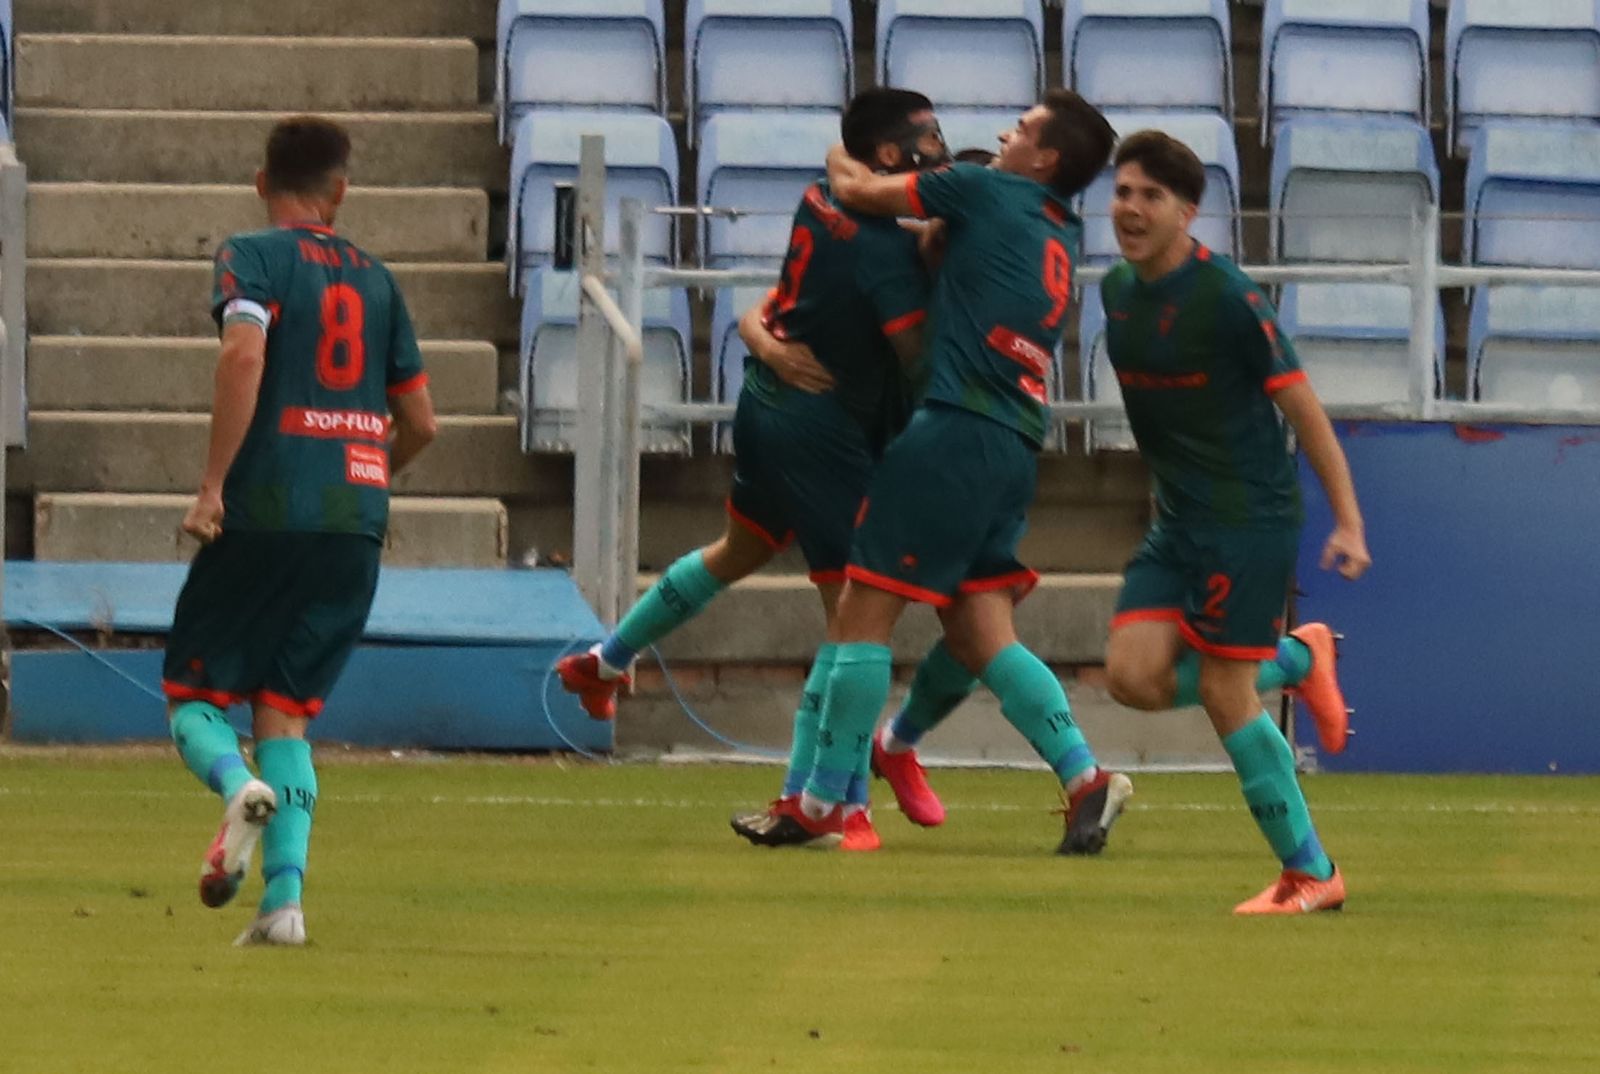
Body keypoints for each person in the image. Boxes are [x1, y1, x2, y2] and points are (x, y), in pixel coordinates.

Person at [554, 89, 975, 850]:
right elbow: (915, 361)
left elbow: (838, 164)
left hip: (767, 404)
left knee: (736, 552)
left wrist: (763, 333)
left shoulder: (824, 194)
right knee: (851, 616)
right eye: (929, 141)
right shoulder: (888, 260)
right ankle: (838, 804)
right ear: (889, 158)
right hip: (818, 430)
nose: (938, 154)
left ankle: (603, 660)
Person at [740, 91, 1133, 853]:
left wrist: (835, 149)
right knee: (984, 631)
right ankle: (1085, 776)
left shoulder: (987, 188)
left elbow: (853, 190)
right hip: (1016, 438)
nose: (1002, 133)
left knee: (861, 611)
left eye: (1020, 128)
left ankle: (822, 806)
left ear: (1045, 158)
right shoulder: (1061, 227)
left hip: (954, 428)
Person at [161, 116, 438, 945]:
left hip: (269, 506)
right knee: (286, 711)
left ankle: (233, 784)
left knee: (194, 696)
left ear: (260, 183)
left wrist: (213, 487)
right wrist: (359, 479)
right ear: (341, 191)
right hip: (357, 516)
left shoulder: (252, 254)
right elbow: (421, 422)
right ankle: (283, 904)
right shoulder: (380, 281)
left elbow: (243, 355)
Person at [1096, 130, 1371, 914]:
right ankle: (1296, 658)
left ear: (1187, 212)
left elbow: (1305, 412)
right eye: (1123, 192)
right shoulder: (1116, 292)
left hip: (1247, 520)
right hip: (1178, 523)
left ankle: (1311, 872)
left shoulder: (1228, 298)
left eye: (1151, 196)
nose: (1132, 208)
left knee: (1223, 692)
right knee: (1131, 677)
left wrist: (1347, 521)